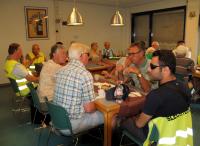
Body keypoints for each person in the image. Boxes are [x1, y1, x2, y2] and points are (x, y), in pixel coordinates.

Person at [120, 50, 192, 143]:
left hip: (155, 137)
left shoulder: (156, 95)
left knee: (121, 118)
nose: (149, 70)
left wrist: (132, 116)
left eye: (152, 67)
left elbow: (139, 124)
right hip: (177, 135)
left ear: (165, 70)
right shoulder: (185, 87)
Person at [53, 42, 103, 134]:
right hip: (71, 125)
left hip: (57, 120)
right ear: (81, 55)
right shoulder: (84, 74)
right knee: (108, 114)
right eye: (87, 54)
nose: (89, 57)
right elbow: (89, 109)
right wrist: (100, 102)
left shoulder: (60, 70)